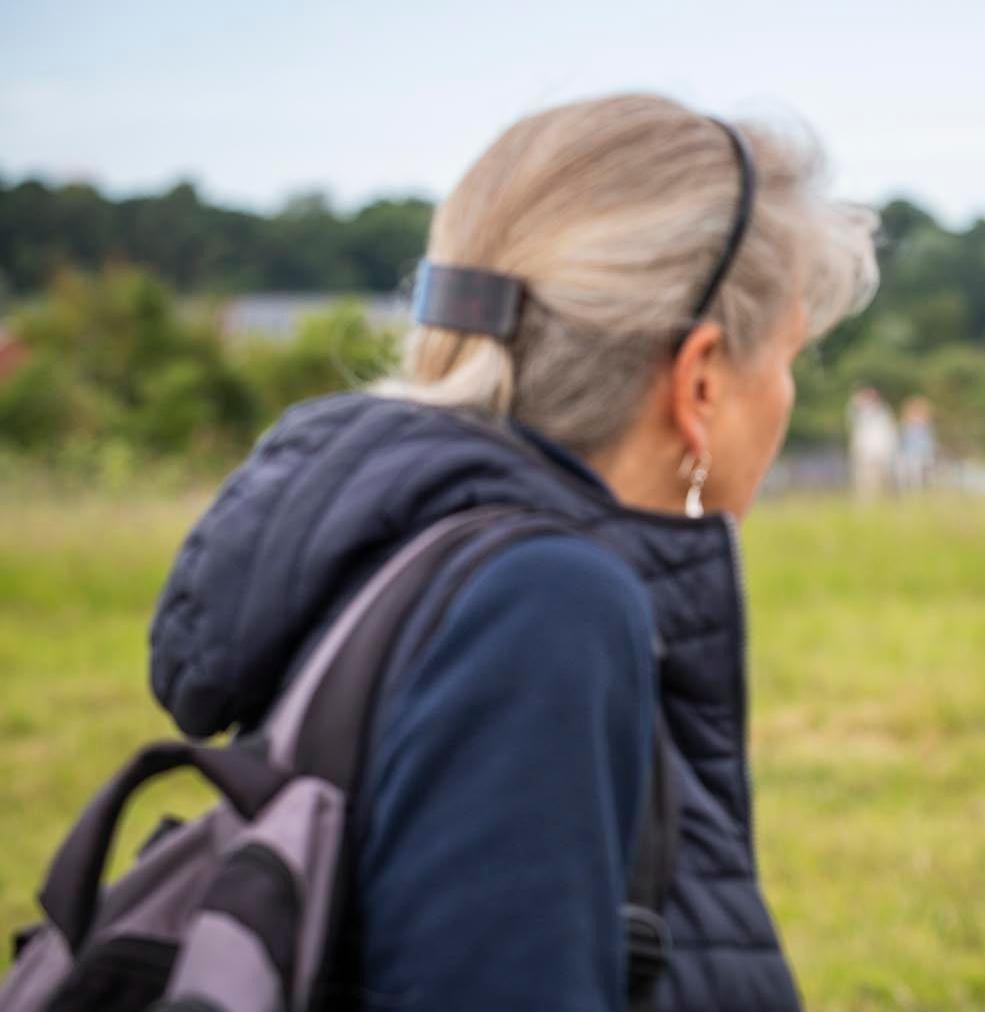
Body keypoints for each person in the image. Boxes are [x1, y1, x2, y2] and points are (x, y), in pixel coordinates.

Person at [146, 94, 877, 1010]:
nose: (785, 395)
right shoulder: (541, 610)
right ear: (698, 383)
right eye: (786, 356)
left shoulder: (402, 549)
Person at [847, 385, 898, 500]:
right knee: (865, 481)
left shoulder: (884, 411)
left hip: (882, 451)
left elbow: (889, 432)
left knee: (885, 480)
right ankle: (866, 502)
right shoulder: (859, 412)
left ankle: (886, 501)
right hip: (865, 452)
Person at [896, 395, 937, 493]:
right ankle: (909, 493)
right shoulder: (906, 426)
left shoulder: (926, 427)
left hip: (922, 454)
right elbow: (901, 441)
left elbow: (929, 443)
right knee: (908, 475)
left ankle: (918, 493)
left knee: (920, 476)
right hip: (908, 454)